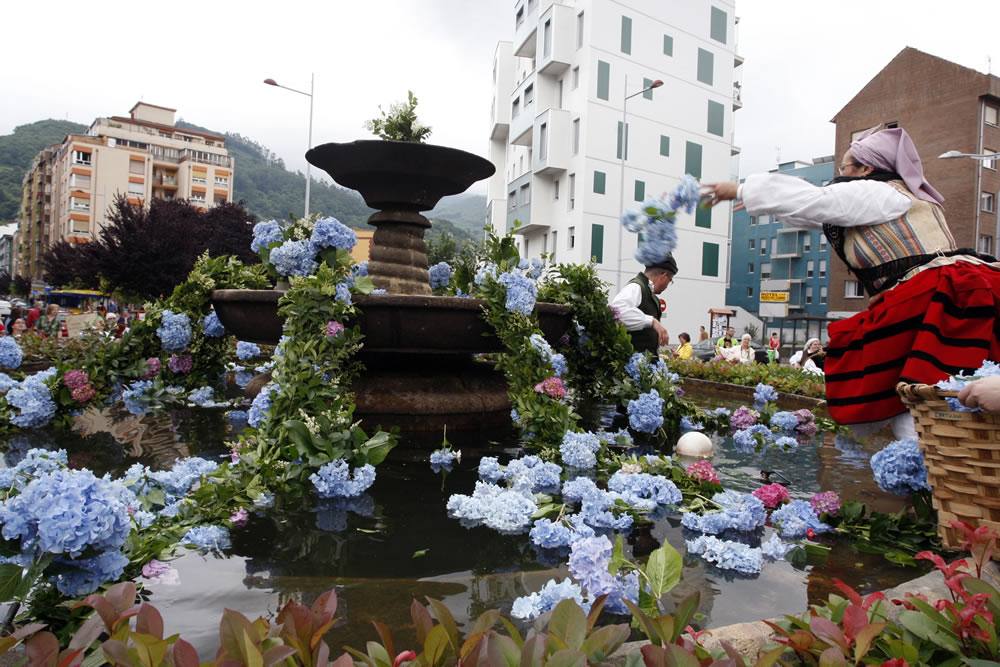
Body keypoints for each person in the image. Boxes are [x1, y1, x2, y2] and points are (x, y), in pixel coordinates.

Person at [704, 127, 1000, 440]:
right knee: (923, 390)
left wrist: (739, 190)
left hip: (936, 295)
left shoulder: (878, 192)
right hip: (950, 291)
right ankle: (944, 466)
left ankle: (936, 470)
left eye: (845, 167)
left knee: (916, 394)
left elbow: (815, 202)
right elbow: (814, 212)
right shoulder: (904, 197)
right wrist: (760, 200)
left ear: (865, 170)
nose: (841, 175)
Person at [609, 255, 676, 355]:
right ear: (664, 276)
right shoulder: (635, 287)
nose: (667, 285)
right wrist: (652, 321)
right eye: (670, 280)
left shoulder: (650, 294)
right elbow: (617, 312)